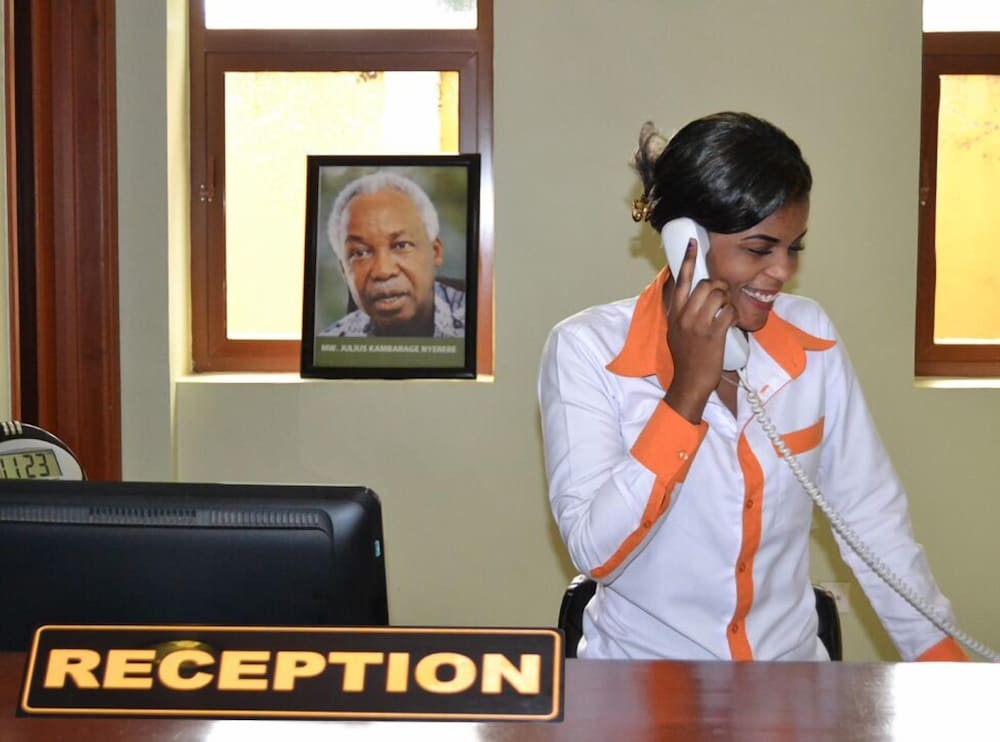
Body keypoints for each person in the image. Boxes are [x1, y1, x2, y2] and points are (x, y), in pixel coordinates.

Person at [538, 112, 968, 662]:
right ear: (686, 242)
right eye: (761, 249)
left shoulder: (811, 337)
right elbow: (596, 552)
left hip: (789, 680)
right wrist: (686, 394)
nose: (783, 271)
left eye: (795, 248)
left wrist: (945, 668)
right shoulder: (585, 349)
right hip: (643, 683)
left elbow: (871, 521)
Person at [320, 171, 465, 338]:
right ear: (344, 270)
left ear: (435, 252)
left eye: (401, 245)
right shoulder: (333, 342)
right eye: (360, 253)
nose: (383, 271)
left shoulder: (480, 328)